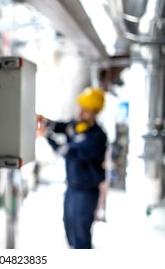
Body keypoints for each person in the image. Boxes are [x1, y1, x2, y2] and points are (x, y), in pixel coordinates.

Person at [37, 86, 107, 249]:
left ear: (95, 112)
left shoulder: (97, 137)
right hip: (72, 188)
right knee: (69, 229)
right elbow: (62, 127)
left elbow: (70, 152)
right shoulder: (77, 125)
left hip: (86, 192)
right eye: (81, 108)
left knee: (81, 236)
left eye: (86, 110)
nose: (81, 113)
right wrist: (45, 121)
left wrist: (47, 136)